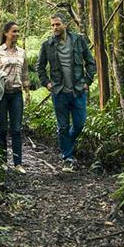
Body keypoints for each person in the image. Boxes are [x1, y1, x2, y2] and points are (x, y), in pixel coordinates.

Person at [36, 12, 96, 172]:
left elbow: (91, 62)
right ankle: (67, 159)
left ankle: (66, 144)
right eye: (52, 25)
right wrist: (47, 83)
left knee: (79, 124)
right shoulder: (47, 45)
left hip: (78, 91)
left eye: (57, 24)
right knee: (62, 127)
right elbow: (40, 67)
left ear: (65, 25)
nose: (54, 27)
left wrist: (87, 81)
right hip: (59, 92)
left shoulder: (78, 40)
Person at [0, 22, 31, 173]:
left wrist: (27, 91)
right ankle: (2, 161)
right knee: (1, 128)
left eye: (18, 31)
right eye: (14, 31)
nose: (16, 34)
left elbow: (25, 72)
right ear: (6, 33)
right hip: (1, 94)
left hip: (16, 94)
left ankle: (18, 163)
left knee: (17, 129)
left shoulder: (22, 52)